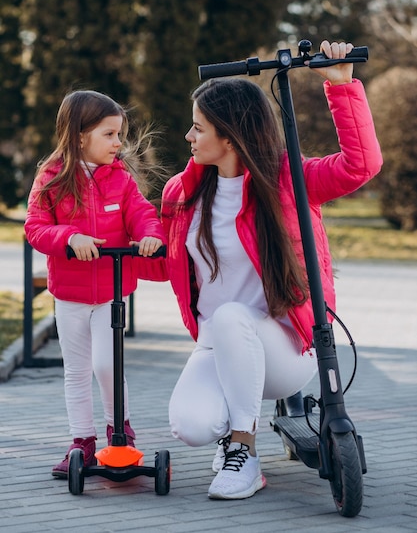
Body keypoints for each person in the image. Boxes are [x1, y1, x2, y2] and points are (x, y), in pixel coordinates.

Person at [160, 40, 383, 500]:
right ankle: (227, 432)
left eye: (197, 128)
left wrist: (341, 86)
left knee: (232, 316)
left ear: (229, 135)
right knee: (189, 425)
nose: (188, 136)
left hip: (284, 348)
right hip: (216, 347)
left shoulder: (289, 179)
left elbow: (360, 165)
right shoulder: (182, 193)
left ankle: (243, 450)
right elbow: (163, 262)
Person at [25, 89, 165, 479]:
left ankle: (119, 432)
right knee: (76, 369)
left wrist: (151, 236)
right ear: (79, 135)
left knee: (107, 365)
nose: (119, 143)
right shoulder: (52, 177)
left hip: (110, 291)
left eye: (119, 134)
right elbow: (35, 228)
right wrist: (69, 238)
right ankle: (81, 442)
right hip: (69, 294)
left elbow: (141, 214)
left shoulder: (119, 177)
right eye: (110, 134)